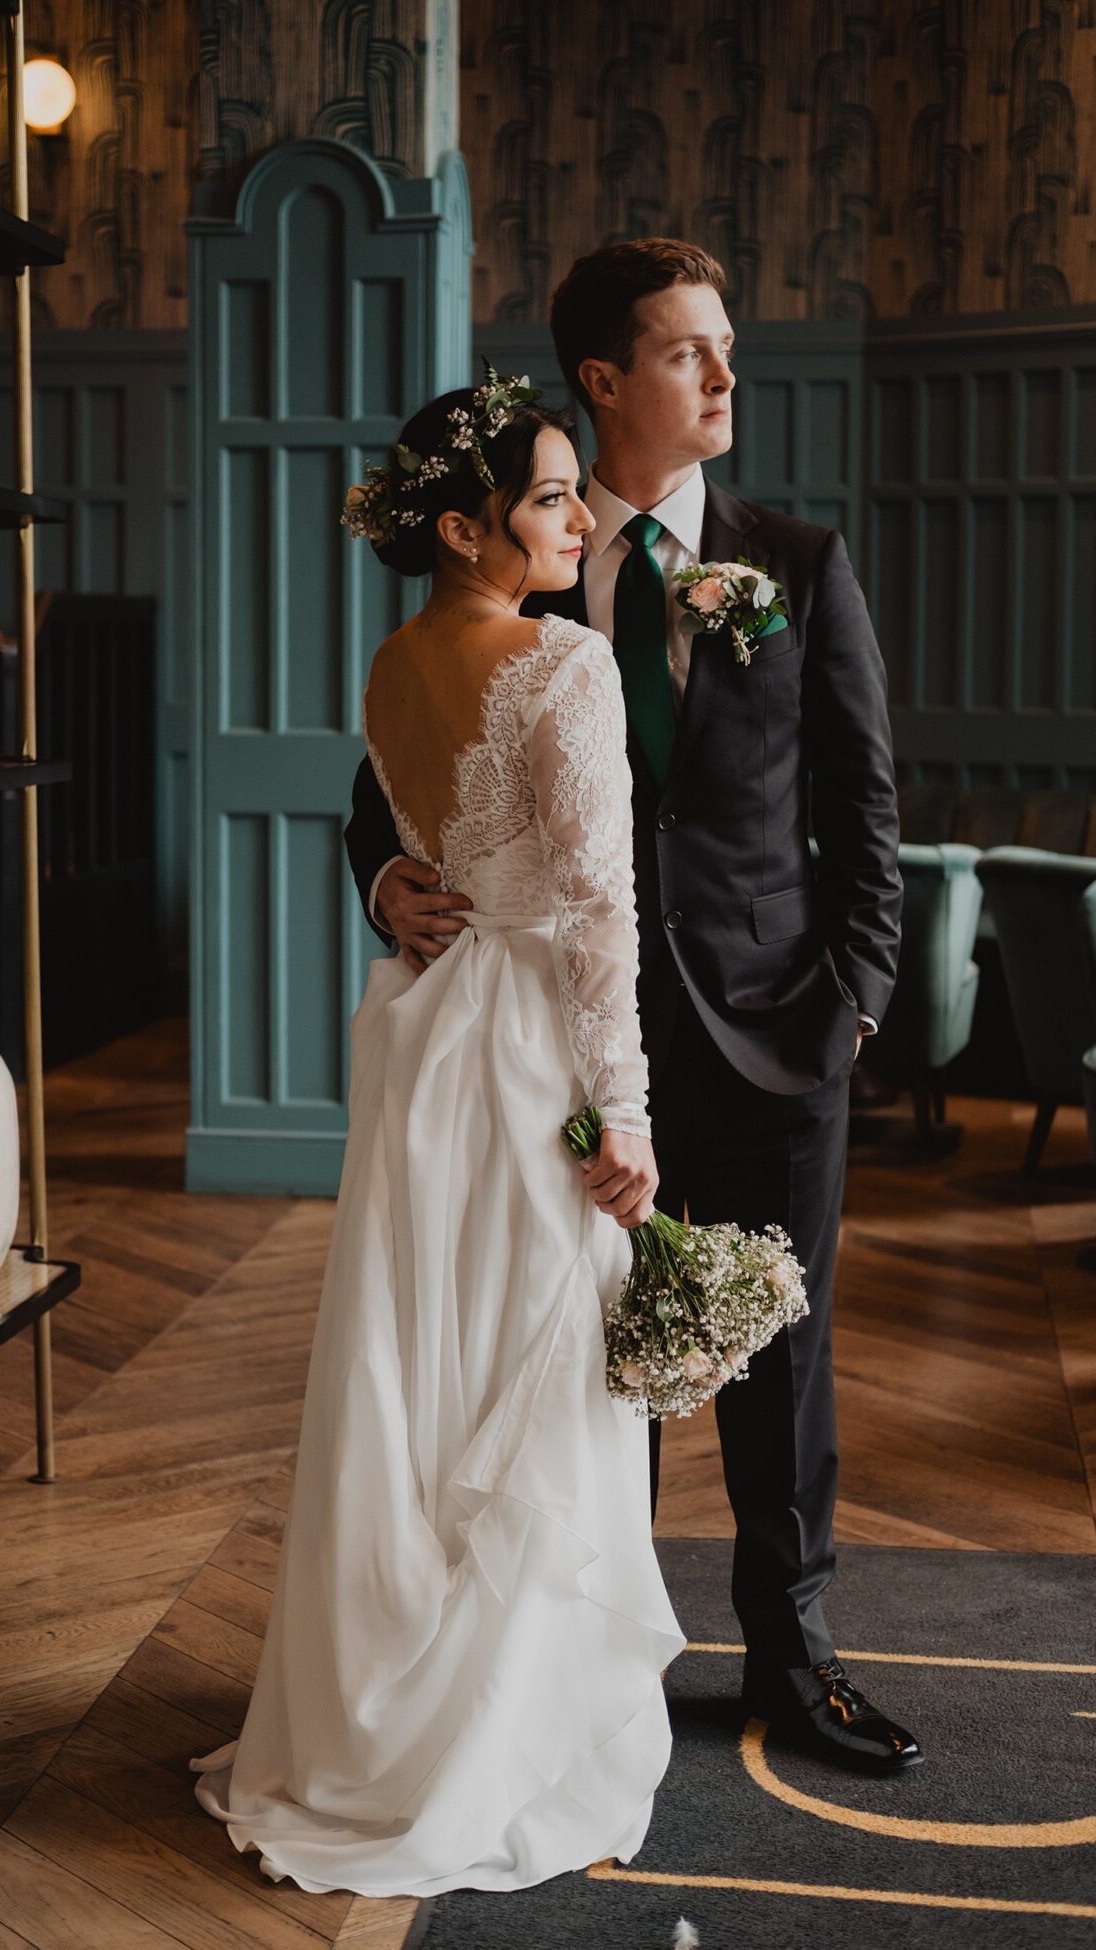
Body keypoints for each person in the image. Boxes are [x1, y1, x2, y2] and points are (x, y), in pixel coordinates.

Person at [346, 240, 922, 1775]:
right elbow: (397, 788)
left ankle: (792, 1656)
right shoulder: (514, 574)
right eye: (689, 351)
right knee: (573, 1365)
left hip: (775, 1028)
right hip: (562, 1055)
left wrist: (849, 1011)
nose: (727, 376)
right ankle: (585, 1649)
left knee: (778, 1365)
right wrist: (386, 886)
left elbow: (869, 821)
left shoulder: (794, 564)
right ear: (604, 380)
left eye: (725, 347)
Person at [192, 375, 687, 1894]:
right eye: (548, 500)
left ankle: (384, 1722)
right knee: (525, 1386)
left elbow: (429, 851)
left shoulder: (392, 662)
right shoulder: (566, 666)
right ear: (468, 528)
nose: (573, 517)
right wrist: (634, 1117)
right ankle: (499, 1737)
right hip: (534, 1052)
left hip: (429, 1048)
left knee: (422, 1376)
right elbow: (600, 910)